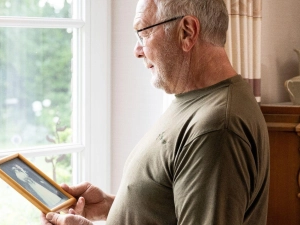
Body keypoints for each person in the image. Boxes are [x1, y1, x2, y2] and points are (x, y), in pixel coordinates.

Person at [41, 0, 270, 224]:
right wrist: (113, 206)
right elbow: (170, 207)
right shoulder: (196, 102)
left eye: (143, 33)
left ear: (187, 32)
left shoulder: (216, 128)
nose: (137, 51)